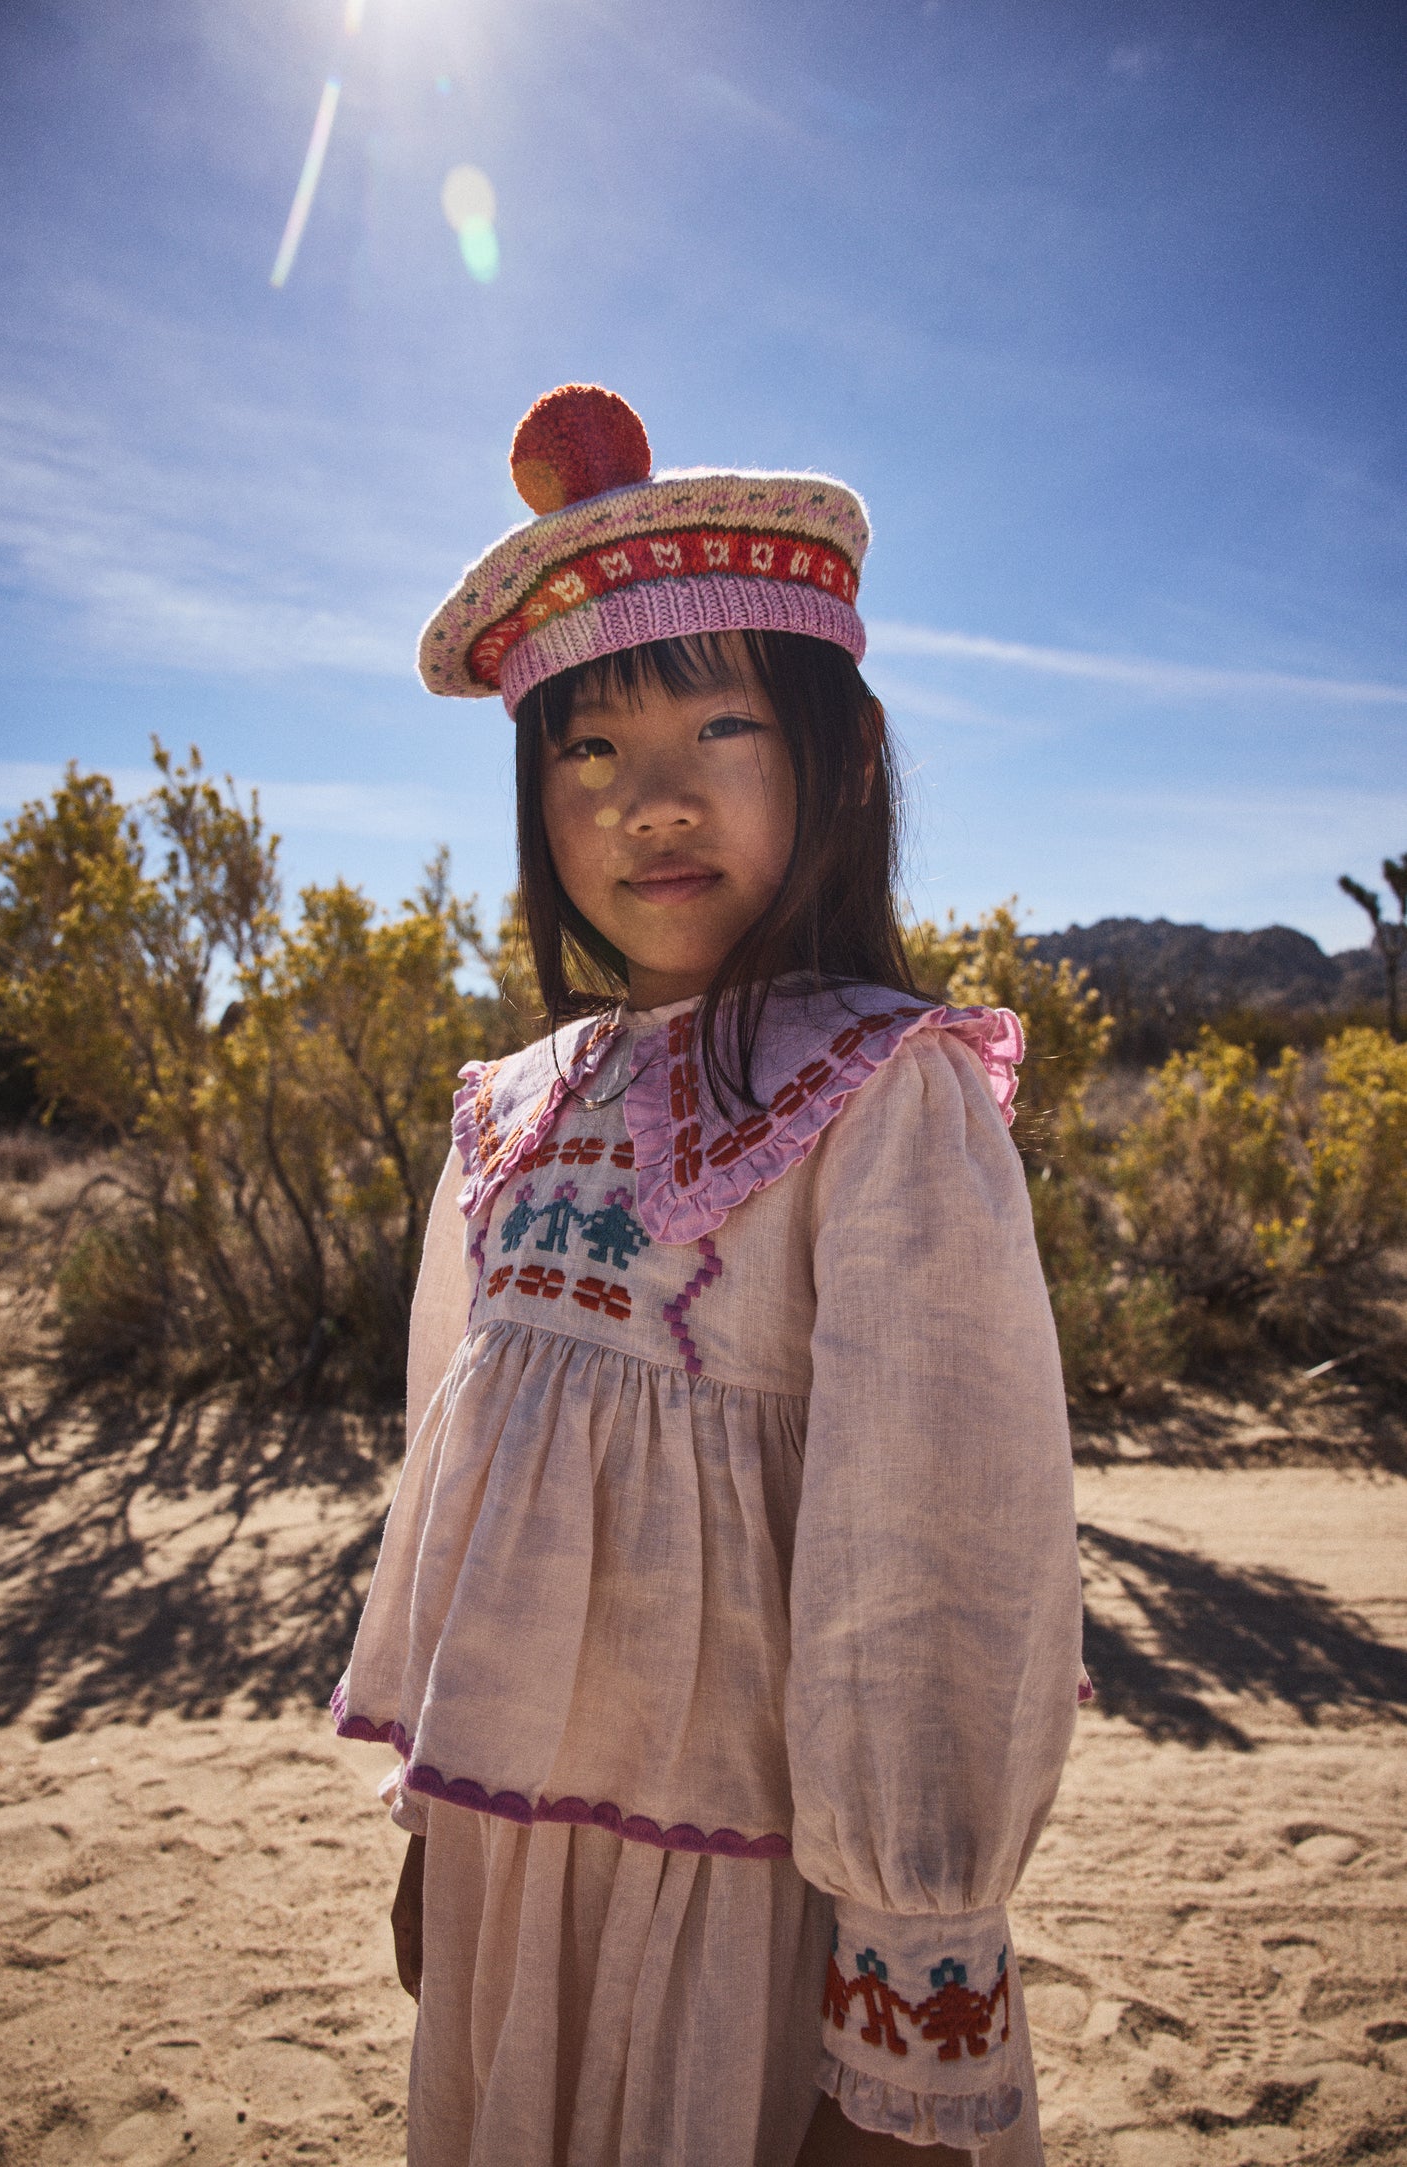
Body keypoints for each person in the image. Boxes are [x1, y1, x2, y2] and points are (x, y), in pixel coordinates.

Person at [333, 385, 1084, 2167]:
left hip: (756, 1914)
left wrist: (910, 1988)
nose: (647, 803)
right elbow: (463, 1502)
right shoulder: (515, 1107)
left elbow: (934, 1570)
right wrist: (441, 1839)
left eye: (719, 728)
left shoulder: (884, 1096)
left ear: (839, 751)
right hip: (526, 1882)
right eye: (585, 750)